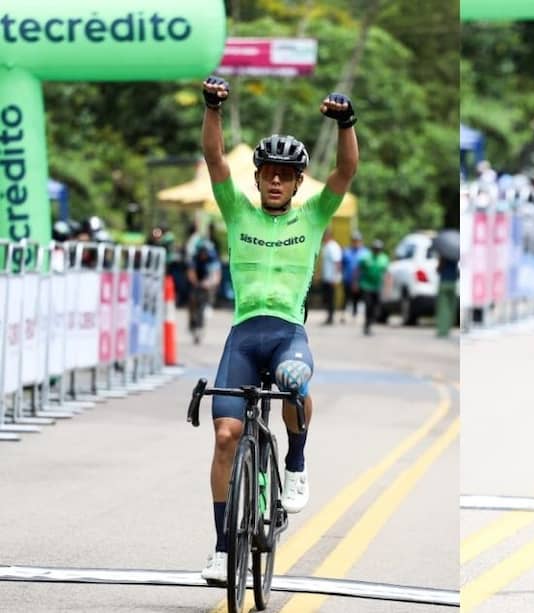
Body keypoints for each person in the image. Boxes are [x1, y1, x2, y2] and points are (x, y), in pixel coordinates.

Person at [197, 75, 358, 582]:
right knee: (226, 435)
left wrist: (346, 123)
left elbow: (346, 170)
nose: (275, 182)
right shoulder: (236, 210)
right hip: (244, 336)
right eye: (268, 173)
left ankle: (296, 464)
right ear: (259, 178)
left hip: (288, 333)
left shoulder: (312, 218)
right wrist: (212, 109)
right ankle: (224, 549)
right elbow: (214, 159)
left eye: (285, 176)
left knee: (293, 379)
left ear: (296, 184)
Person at [186, 237, 222, 344]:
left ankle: (201, 323)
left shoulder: (213, 258)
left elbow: (216, 275)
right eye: (202, 252)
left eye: (205, 252)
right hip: (196, 283)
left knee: (203, 304)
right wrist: (196, 283)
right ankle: (192, 324)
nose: (204, 255)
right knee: (193, 303)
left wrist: (209, 284)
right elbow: (191, 272)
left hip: (207, 283)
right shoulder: (194, 258)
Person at [357, 239, 389, 336]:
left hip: (377, 287)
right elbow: (358, 270)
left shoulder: (384, 259)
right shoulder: (366, 258)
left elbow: (387, 274)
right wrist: (355, 282)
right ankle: (367, 325)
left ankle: (370, 322)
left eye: (378, 249)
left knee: (376, 307)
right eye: (375, 249)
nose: (376, 250)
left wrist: (387, 287)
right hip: (366, 286)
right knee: (368, 305)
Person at [341, 231, 368, 321]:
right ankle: (344, 314)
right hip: (348, 279)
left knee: (357, 298)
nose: (356, 243)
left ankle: (355, 314)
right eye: (354, 241)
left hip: (361, 280)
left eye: (358, 241)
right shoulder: (347, 251)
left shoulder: (365, 253)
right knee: (346, 297)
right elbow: (342, 264)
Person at [319, 229, 343, 325]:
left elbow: (337, 262)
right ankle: (329, 316)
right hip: (326, 277)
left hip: (331, 278)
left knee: (331, 298)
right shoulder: (326, 246)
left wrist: (336, 277)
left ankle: (331, 317)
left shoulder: (333, 246)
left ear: (328, 236)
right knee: (327, 298)